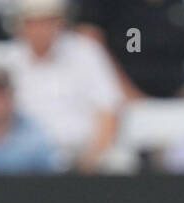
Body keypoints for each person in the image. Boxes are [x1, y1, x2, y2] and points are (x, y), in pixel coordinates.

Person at [8, 0, 124, 172]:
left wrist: (93, 156)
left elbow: (109, 108)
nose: (40, 30)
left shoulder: (86, 52)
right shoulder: (9, 61)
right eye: (33, 22)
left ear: (60, 22)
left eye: (47, 21)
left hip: (84, 157)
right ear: (21, 26)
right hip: (28, 161)